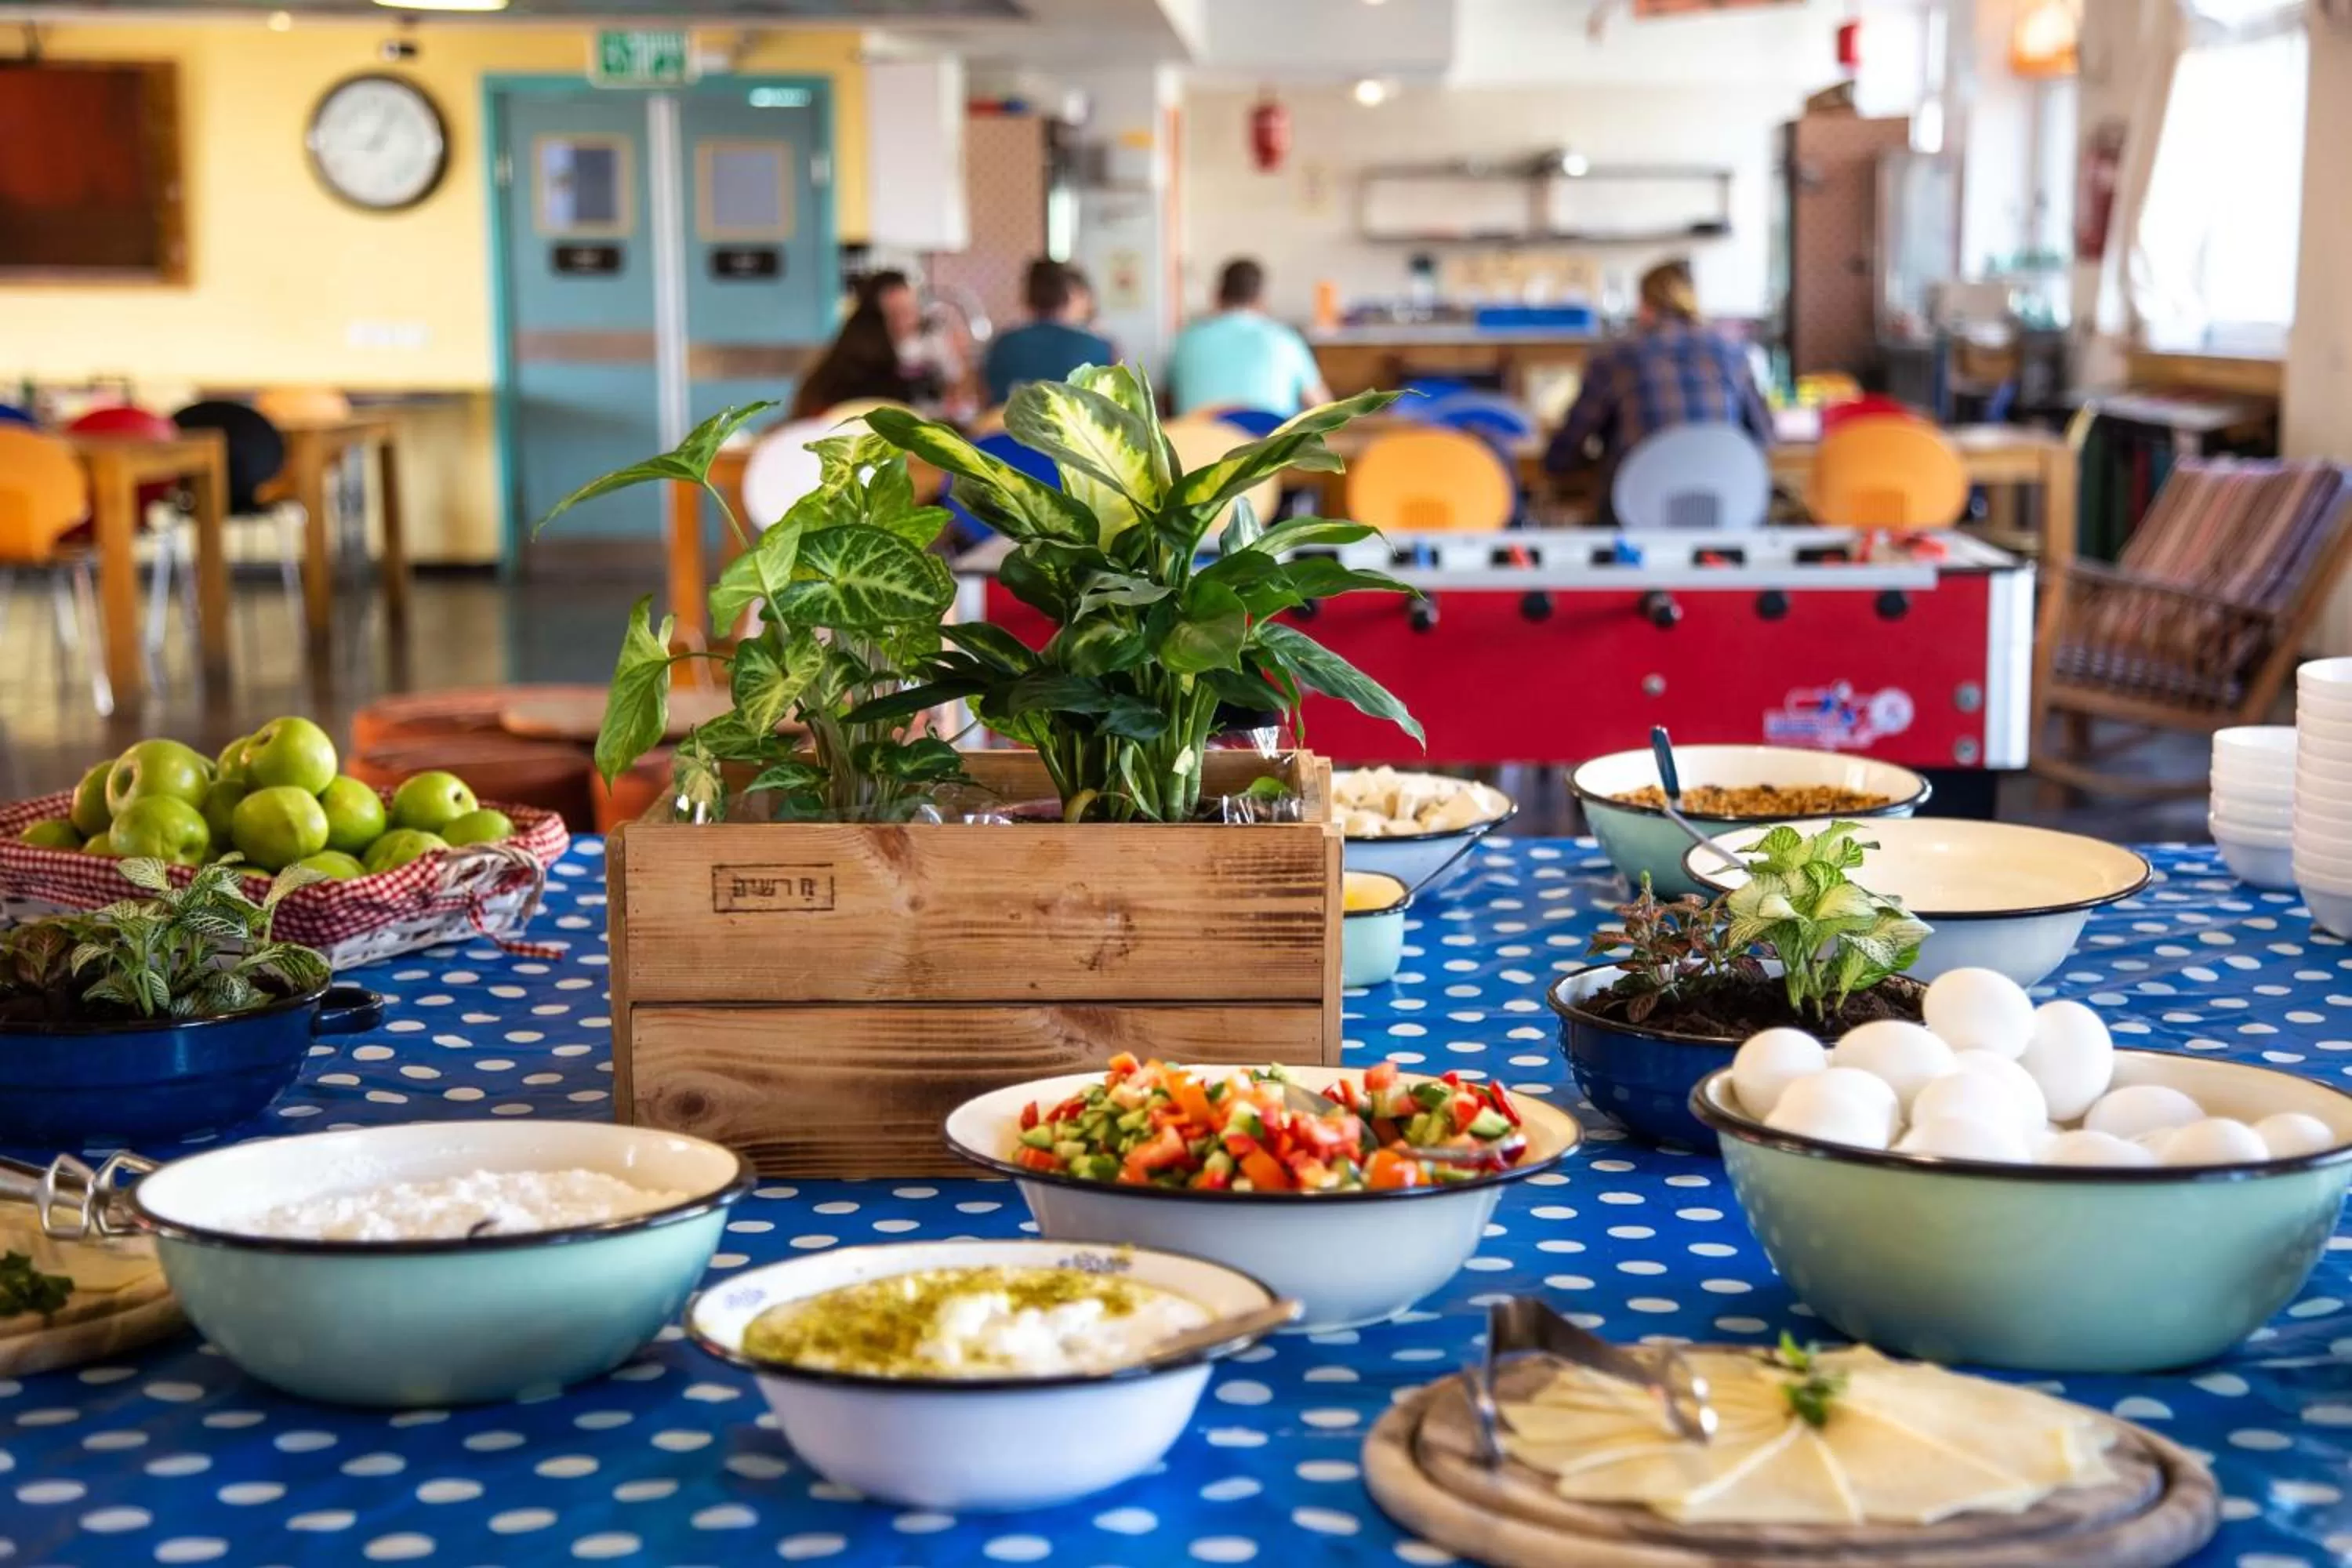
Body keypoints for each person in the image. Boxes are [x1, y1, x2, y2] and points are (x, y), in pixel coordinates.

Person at [1542, 260, 1773, 517]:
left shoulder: (1615, 357)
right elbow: (1765, 437)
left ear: (1644, 305)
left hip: (1632, 520)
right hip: (1726, 519)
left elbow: (1563, 452)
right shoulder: (1733, 354)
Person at [1167, 258, 1332, 417]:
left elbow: (1168, 400)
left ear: (1217, 295)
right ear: (1261, 299)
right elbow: (1323, 411)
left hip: (1198, 441)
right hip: (1270, 442)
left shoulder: (1186, 340)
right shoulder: (1284, 339)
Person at [790, 270, 935, 418]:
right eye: (902, 312)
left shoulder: (846, 354)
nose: (913, 321)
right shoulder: (869, 371)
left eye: (912, 311)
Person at [982, 260, 1117, 405]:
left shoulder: (1003, 344)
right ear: (1071, 294)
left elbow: (986, 399)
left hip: (1008, 427)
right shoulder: (1098, 347)